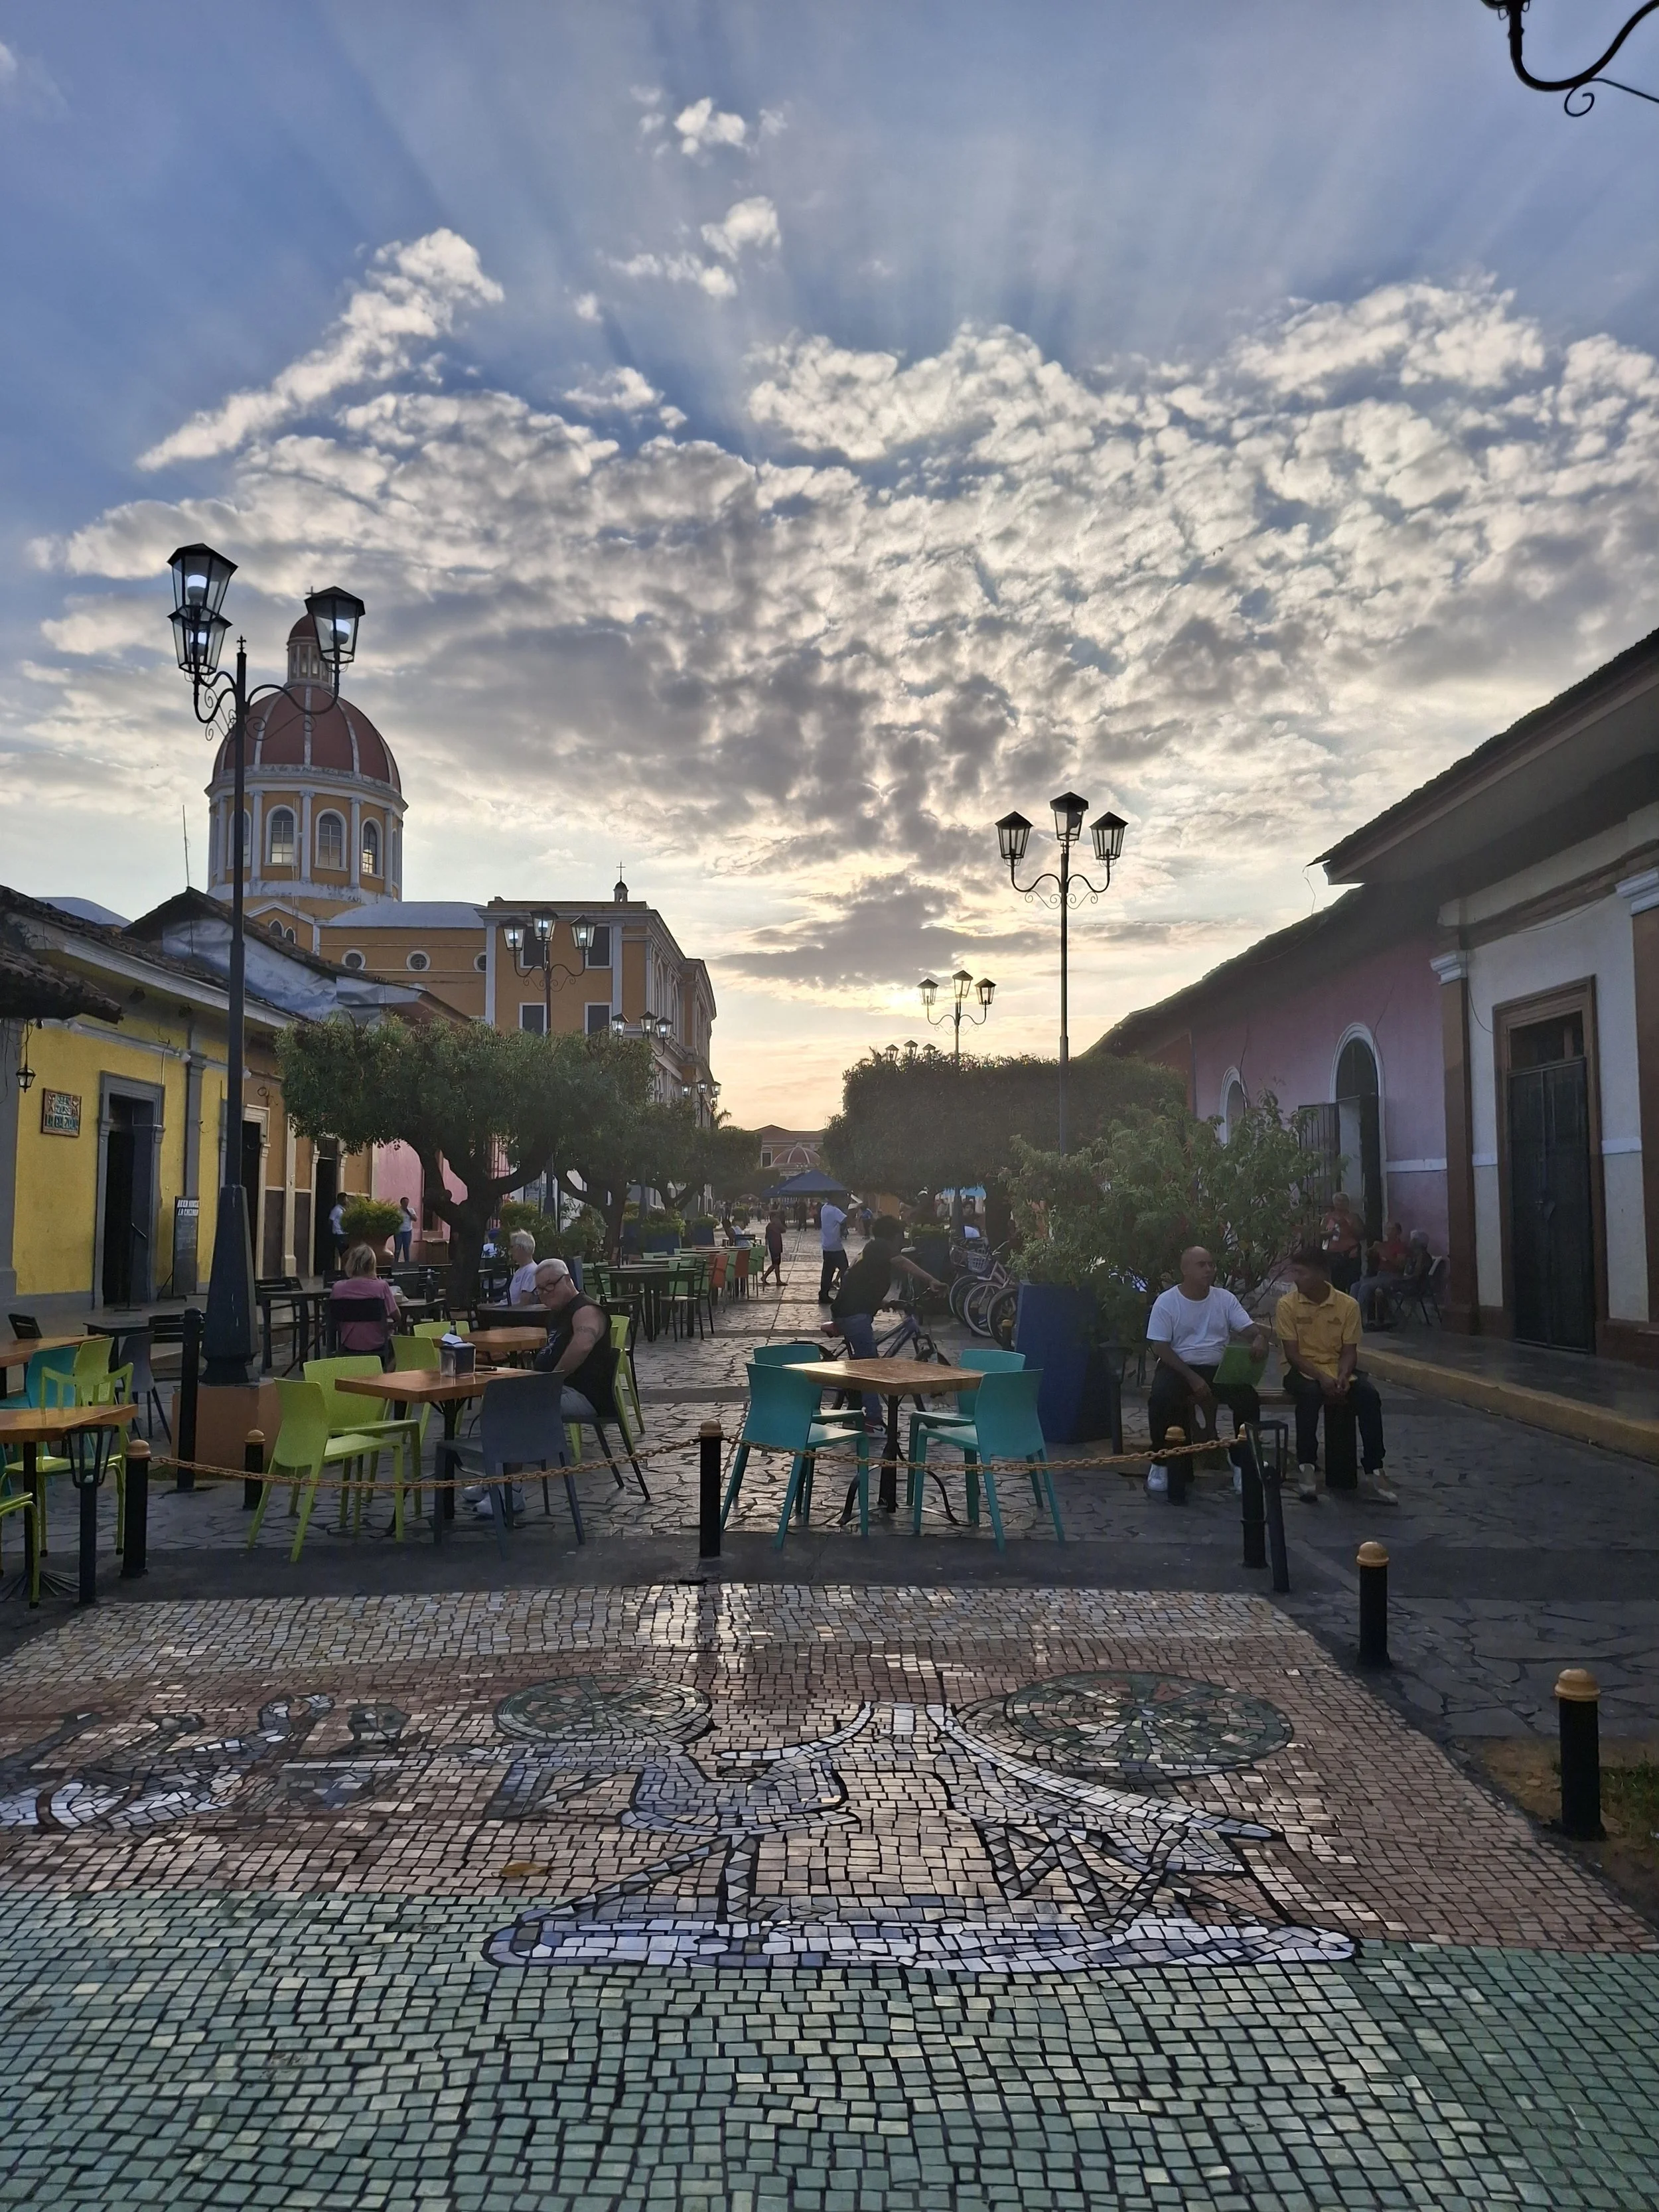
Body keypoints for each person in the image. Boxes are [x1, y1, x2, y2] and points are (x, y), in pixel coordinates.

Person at [1144, 1247, 1268, 1501]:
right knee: (1161, 1398)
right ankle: (1161, 1461)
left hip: (1217, 1366)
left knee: (1248, 1399)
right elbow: (1160, 1347)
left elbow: (1249, 1329)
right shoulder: (1167, 1301)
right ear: (1185, 1270)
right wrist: (1192, 1378)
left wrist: (1258, 1338)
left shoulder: (1224, 1299)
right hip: (1178, 1366)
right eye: (1202, 1265)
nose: (1209, 1270)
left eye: (1211, 1264)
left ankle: (1242, 1462)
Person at [1275, 1242, 1395, 1504]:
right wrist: (1321, 1377)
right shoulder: (1287, 1305)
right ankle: (1307, 1465)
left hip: (1337, 1368)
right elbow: (1293, 1354)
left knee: (1368, 1396)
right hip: (1301, 1370)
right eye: (1294, 1273)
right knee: (1309, 1396)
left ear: (1321, 1274)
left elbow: (1350, 1350)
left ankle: (1375, 1467)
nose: (1296, 1279)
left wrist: (1343, 1375)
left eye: (1301, 1273)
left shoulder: (1347, 1305)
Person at [825, 1215, 943, 1424]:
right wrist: (931, 1279)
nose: (902, 1240)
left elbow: (859, 1286)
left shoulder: (871, 1250)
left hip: (849, 1311)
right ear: (894, 1236)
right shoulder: (880, 1246)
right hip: (854, 1316)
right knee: (872, 1369)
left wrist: (884, 1302)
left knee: (863, 1365)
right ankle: (874, 1420)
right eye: (901, 1236)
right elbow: (901, 1262)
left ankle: (853, 1413)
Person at [326, 1244, 403, 1363]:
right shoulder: (381, 1286)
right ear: (373, 1264)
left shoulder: (338, 1288)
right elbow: (397, 1317)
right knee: (402, 1343)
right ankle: (386, 1372)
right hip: (378, 1345)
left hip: (349, 1344)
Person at [1353, 1221, 1411, 1325]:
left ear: (1398, 1232)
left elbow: (1400, 1265)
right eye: (1387, 1228)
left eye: (1391, 1229)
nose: (1388, 1231)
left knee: (1366, 1287)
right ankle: (1350, 1315)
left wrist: (1385, 1253)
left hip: (1393, 1276)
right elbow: (1368, 1255)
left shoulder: (1401, 1246)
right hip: (1379, 1275)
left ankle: (1357, 1319)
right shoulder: (1383, 1244)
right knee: (1355, 1286)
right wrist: (1372, 1250)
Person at [1321, 1193, 1364, 1293]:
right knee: (1336, 1284)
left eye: (1344, 1201)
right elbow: (1320, 1233)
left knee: (1352, 1283)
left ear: (1348, 1203)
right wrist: (1331, 1233)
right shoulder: (1329, 1217)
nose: (1341, 1203)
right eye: (1338, 1201)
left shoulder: (1353, 1217)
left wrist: (1347, 1226)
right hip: (1333, 1255)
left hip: (1350, 1254)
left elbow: (1361, 1235)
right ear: (1334, 1203)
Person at [818, 1193, 851, 1302]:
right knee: (845, 1269)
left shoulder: (824, 1208)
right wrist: (850, 1208)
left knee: (827, 1272)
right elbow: (846, 1220)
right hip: (836, 1246)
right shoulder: (834, 1210)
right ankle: (845, 1294)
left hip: (827, 1245)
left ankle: (823, 1294)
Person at [506, 1230, 539, 1307]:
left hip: (513, 1311)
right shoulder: (519, 1271)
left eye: (512, 1247)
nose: (510, 1251)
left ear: (520, 1248)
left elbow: (524, 1303)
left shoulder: (531, 1271)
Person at [762, 1207, 786, 1287]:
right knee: (776, 1264)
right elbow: (766, 1238)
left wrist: (780, 1224)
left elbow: (784, 1230)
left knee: (776, 1264)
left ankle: (765, 1277)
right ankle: (778, 1280)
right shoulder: (769, 1227)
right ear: (772, 1218)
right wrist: (766, 1248)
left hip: (778, 1246)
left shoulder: (777, 1226)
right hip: (774, 1247)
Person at [394, 1197, 415, 1264]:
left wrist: (408, 1212)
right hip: (399, 1232)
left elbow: (415, 1219)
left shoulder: (411, 1210)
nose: (406, 1204)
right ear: (401, 1203)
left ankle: (407, 1263)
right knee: (398, 1248)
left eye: (407, 1203)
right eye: (404, 1203)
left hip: (408, 1232)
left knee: (406, 1248)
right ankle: (396, 1262)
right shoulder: (397, 1211)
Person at [328, 1197, 346, 1272]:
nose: (346, 1201)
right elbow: (331, 1220)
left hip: (343, 1233)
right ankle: (343, 1270)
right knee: (342, 1252)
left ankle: (344, 1269)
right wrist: (334, 1230)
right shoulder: (336, 1210)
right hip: (338, 1233)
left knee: (345, 1252)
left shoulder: (343, 1210)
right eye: (345, 1199)